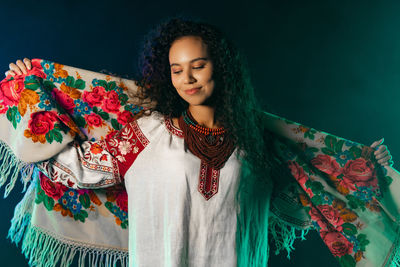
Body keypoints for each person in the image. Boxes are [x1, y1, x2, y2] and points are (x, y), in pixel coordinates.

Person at [3, 17, 395, 267]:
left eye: (198, 66)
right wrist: (31, 101)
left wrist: (369, 168)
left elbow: (319, 190)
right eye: (177, 69)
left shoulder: (257, 143)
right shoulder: (148, 132)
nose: (187, 78)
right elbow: (76, 167)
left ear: (220, 69)